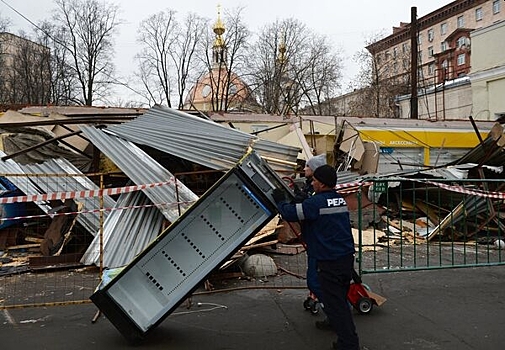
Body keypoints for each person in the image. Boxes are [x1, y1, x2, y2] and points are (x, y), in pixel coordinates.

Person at [272, 165, 360, 350]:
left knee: (336, 304)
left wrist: (281, 201)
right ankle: (336, 325)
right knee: (336, 300)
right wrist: (303, 200)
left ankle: (349, 344)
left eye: (314, 180)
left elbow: (290, 214)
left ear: (321, 182)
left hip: (329, 261)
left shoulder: (316, 203)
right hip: (344, 258)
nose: (312, 183)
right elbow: (312, 213)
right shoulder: (339, 200)